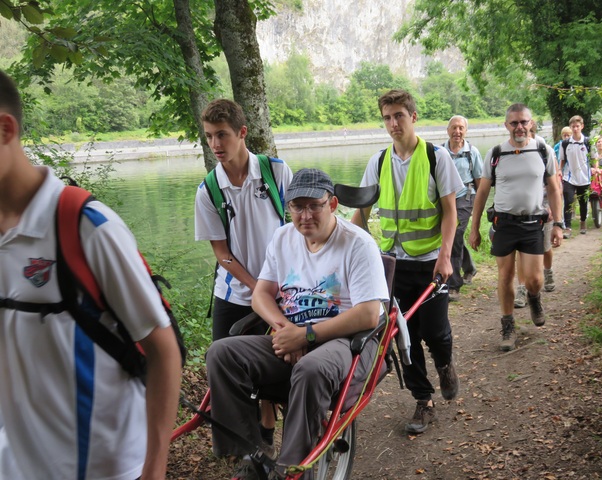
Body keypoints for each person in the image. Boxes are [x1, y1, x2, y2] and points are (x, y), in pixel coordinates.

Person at [0, 70, 182, 479]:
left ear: (4, 129)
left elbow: (162, 349)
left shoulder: (86, 226)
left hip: (103, 467)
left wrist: (154, 469)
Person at [207, 168, 389, 480]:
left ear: (331, 204)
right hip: (293, 331)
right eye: (296, 206)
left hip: (346, 340)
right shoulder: (283, 237)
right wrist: (283, 331)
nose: (304, 215)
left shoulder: (358, 244)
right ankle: (250, 455)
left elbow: (369, 314)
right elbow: (261, 294)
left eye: (313, 206)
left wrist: (305, 335)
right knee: (221, 354)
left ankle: (290, 470)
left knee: (311, 368)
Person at [351, 89, 462, 434]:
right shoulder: (378, 162)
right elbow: (360, 215)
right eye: (387, 117)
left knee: (435, 331)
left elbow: (450, 213)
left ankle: (444, 364)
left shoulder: (435, 157)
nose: (393, 123)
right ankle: (423, 400)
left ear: (413, 116)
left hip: (430, 263)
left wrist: (445, 256)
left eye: (399, 115)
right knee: (402, 335)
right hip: (392, 266)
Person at [194, 99, 292, 450]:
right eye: (209, 136)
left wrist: (273, 289)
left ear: (242, 133)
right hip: (233, 294)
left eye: (222, 135)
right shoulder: (209, 189)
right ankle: (243, 451)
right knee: (224, 367)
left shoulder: (276, 172)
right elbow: (222, 254)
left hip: (282, 290)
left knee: (272, 364)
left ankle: (266, 434)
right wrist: (256, 288)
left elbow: (297, 230)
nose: (216, 145)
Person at [469, 103, 563, 352]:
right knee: (505, 275)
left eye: (524, 122)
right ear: (506, 125)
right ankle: (508, 325)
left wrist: (558, 224)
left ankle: (534, 297)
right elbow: (482, 191)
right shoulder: (497, 153)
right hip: (504, 223)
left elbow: (554, 189)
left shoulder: (543, 150)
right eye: (514, 123)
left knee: (534, 279)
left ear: (531, 123)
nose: (519, 127)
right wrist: (474, 227)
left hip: (533, 223)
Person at [514, 121, 560, 307]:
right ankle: (522, 287)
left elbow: (555, 184)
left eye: (529, 131)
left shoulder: (544, 150)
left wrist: (553, 211)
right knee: (521, 250)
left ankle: (548, 271)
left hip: (544, 205)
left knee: (545, 246)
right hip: (522, 209)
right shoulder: (513, 152)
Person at [442, 115, 483, 299]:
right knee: (449, 235)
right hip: (444, 198)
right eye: (454, 128)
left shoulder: (472, 152)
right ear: (448, 130)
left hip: (465, 197)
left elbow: (480, 181)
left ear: (465, 131)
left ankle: (454, 284)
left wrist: (479, 209)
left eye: (461, 128)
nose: (457, 132)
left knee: (456, 234)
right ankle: (470, 267)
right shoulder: (439, 151)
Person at [559, 115, 592, 237]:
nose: (575, 129)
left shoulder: (588, 142)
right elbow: (562, 160)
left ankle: (582, 221)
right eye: (573, 126)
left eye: (577, 126)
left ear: (582, 126)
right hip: (569, 177)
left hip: (584, 177)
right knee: (568, 201)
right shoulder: (565, 143)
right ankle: (567, 227)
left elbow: (593, 158)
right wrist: (559, 170)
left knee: (583, 202)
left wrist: (596, 169)